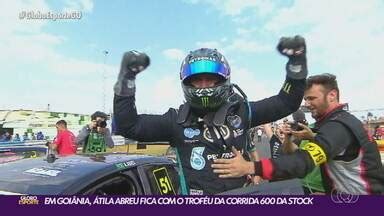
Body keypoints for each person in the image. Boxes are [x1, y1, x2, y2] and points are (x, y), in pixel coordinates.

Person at [113, 35, 308, 195]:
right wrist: (127, 79)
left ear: (224, 80)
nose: (204, 86)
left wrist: (296, 63)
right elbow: (128, 125)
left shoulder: (242, 111)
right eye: (197, 80)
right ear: (187, 83)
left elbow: (286, 102)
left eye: (211, 80)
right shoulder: (176, 120)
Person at [212, 73, 384, 194]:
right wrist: (310, 137)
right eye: (305, 99)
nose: (307, 104)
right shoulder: (331, 125)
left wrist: (250, 167)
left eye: (312, 98)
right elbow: (301, 155)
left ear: (332, 95)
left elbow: (302, 163)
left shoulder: (338, 127)